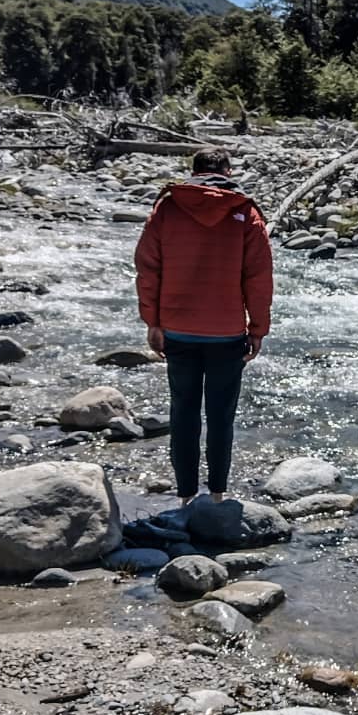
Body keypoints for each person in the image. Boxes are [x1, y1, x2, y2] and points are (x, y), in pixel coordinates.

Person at [135, 147, 273, 505]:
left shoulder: (167, 208)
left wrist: (153, 322)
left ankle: (184, 496)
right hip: (227, 332)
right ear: (227, 172)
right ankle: (217, 494)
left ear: (193, 173)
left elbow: (148, 269)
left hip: (177, 329)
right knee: (221, 415)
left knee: (183, 411)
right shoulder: (245, 211)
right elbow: (258, 279)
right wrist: (257, 329)